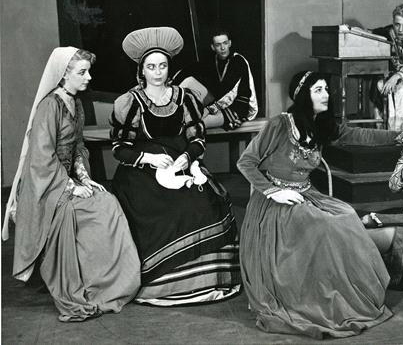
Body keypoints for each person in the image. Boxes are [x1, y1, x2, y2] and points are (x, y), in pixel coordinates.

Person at [237, 70, 403, 339]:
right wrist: (273, 192)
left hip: (306, 194)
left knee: (347, 216)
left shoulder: (322, 125)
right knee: (325, 225)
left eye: (326, 89)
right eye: (318, 90)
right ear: (303, 95)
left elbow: (360, 136)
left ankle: (348, 293)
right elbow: (245, 162)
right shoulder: (280, 124)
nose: (326, 94)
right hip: (274, 204)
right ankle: (312, 294)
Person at [1, 47, 140, 322]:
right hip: (44, 186)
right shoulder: (49, 105)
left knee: (108, 202)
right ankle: (85, 283)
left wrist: (86, 178)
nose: (88, 77)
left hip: (67, 179)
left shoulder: (75, 104)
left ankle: (110, 283)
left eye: (88, 71)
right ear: (64, 75)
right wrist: (71, 187)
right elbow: (41, 157)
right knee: (87, 212)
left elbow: (77, 147)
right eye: (82, 72)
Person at [110, 27, 241, 306]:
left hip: (182, 166)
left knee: (204, 204)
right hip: (141, 173)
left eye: (162, 66)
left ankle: (207, 283)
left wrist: (189, 157)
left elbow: (198, 138)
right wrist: (149, 159)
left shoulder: (185, 98)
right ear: (141, 71)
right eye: (151, 67)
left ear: (169, 68)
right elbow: (119, 149)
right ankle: (162, 285)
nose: (157, 72)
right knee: (167, 210)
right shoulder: (130, 103)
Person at [172, 29, 258, 129]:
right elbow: (189, 70)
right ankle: (171, 109)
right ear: (213, 47)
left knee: (193, 123)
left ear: (229, 43)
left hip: (238, 105)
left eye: (225, 43)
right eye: (218, 45)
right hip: (217, 100)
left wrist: (208, 109)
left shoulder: (238, 61)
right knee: (189, 81)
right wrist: (172, 84)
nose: (222, 48)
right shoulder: (213, 59)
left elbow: (230, 92)